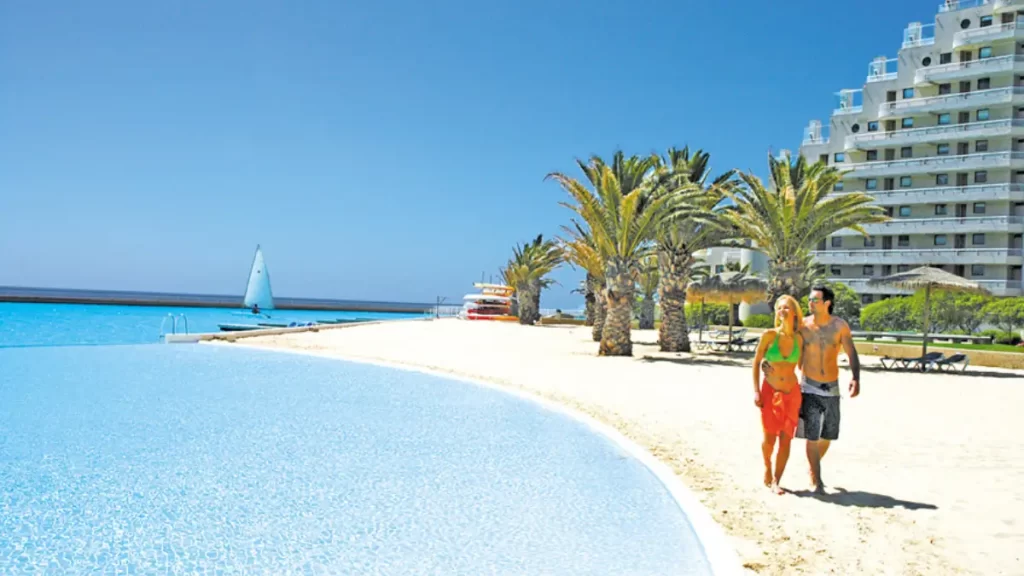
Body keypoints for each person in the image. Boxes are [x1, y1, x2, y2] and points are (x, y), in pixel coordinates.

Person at [795, 284, 860, 494]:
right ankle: (817, 479)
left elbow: (851, 352)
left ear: (826, 303)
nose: (810, 303)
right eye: (809, 300)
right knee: (812, 436)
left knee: (829, 435)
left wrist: (856, 378)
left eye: (814, 300)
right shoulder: (803, 325)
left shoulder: (840, 326)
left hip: (832, 387)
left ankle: (813, 466)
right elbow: (790, 347)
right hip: (809, 386)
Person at [752, 295, 805, 495]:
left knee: (786, 438)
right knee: (769, 439)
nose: (782, 310)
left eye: (786, 308)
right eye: (779, 308)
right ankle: (767, 465)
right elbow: (756, 361)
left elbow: (803, 365)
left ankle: (776, 480)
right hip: (770, 393)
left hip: (792, 394)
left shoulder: (800, 338)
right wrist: (756, 390)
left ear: (794, 312)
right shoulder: (769, 335)